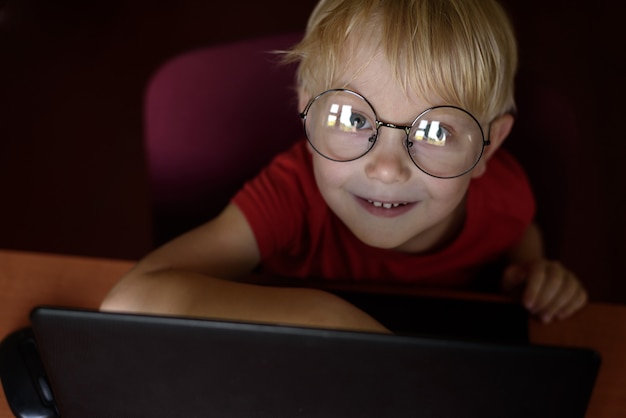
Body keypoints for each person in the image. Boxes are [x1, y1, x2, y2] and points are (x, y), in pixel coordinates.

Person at [101, 0, 587, 332]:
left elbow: (517, 229)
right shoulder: (290, 197)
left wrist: (532, 271)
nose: (387, 169)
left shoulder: (504, 196)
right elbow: (129, 300)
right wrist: (327, 317)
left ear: (488, 147)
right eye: (353, 117)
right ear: (307, 113)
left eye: (436, 131)